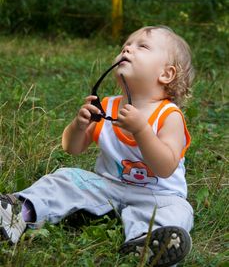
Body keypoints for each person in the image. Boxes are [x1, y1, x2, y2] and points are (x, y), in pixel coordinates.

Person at [0, 26, 195, 267]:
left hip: (157, 196)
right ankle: (20, 212)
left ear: (166, 74)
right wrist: (79, 126)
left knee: (178, 211)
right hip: (107, 186)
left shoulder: (169, 116)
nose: (127, 48)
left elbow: (165, 167)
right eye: (126, 44)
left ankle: (148, 245)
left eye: (141, 46)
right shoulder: (106, 106)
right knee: (65, 177)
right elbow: (72, 148)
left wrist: (142, 130)